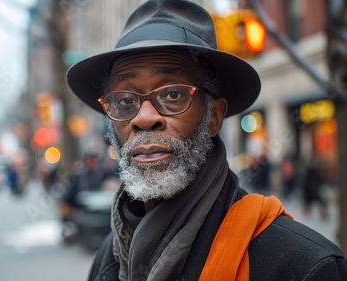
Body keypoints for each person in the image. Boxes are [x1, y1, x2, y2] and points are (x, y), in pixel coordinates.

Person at [66, 0, 347, 280]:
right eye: (125, 100)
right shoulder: (108, 256)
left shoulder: (304, 267)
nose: (145, 117)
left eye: (173, 94)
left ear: (213, 116)